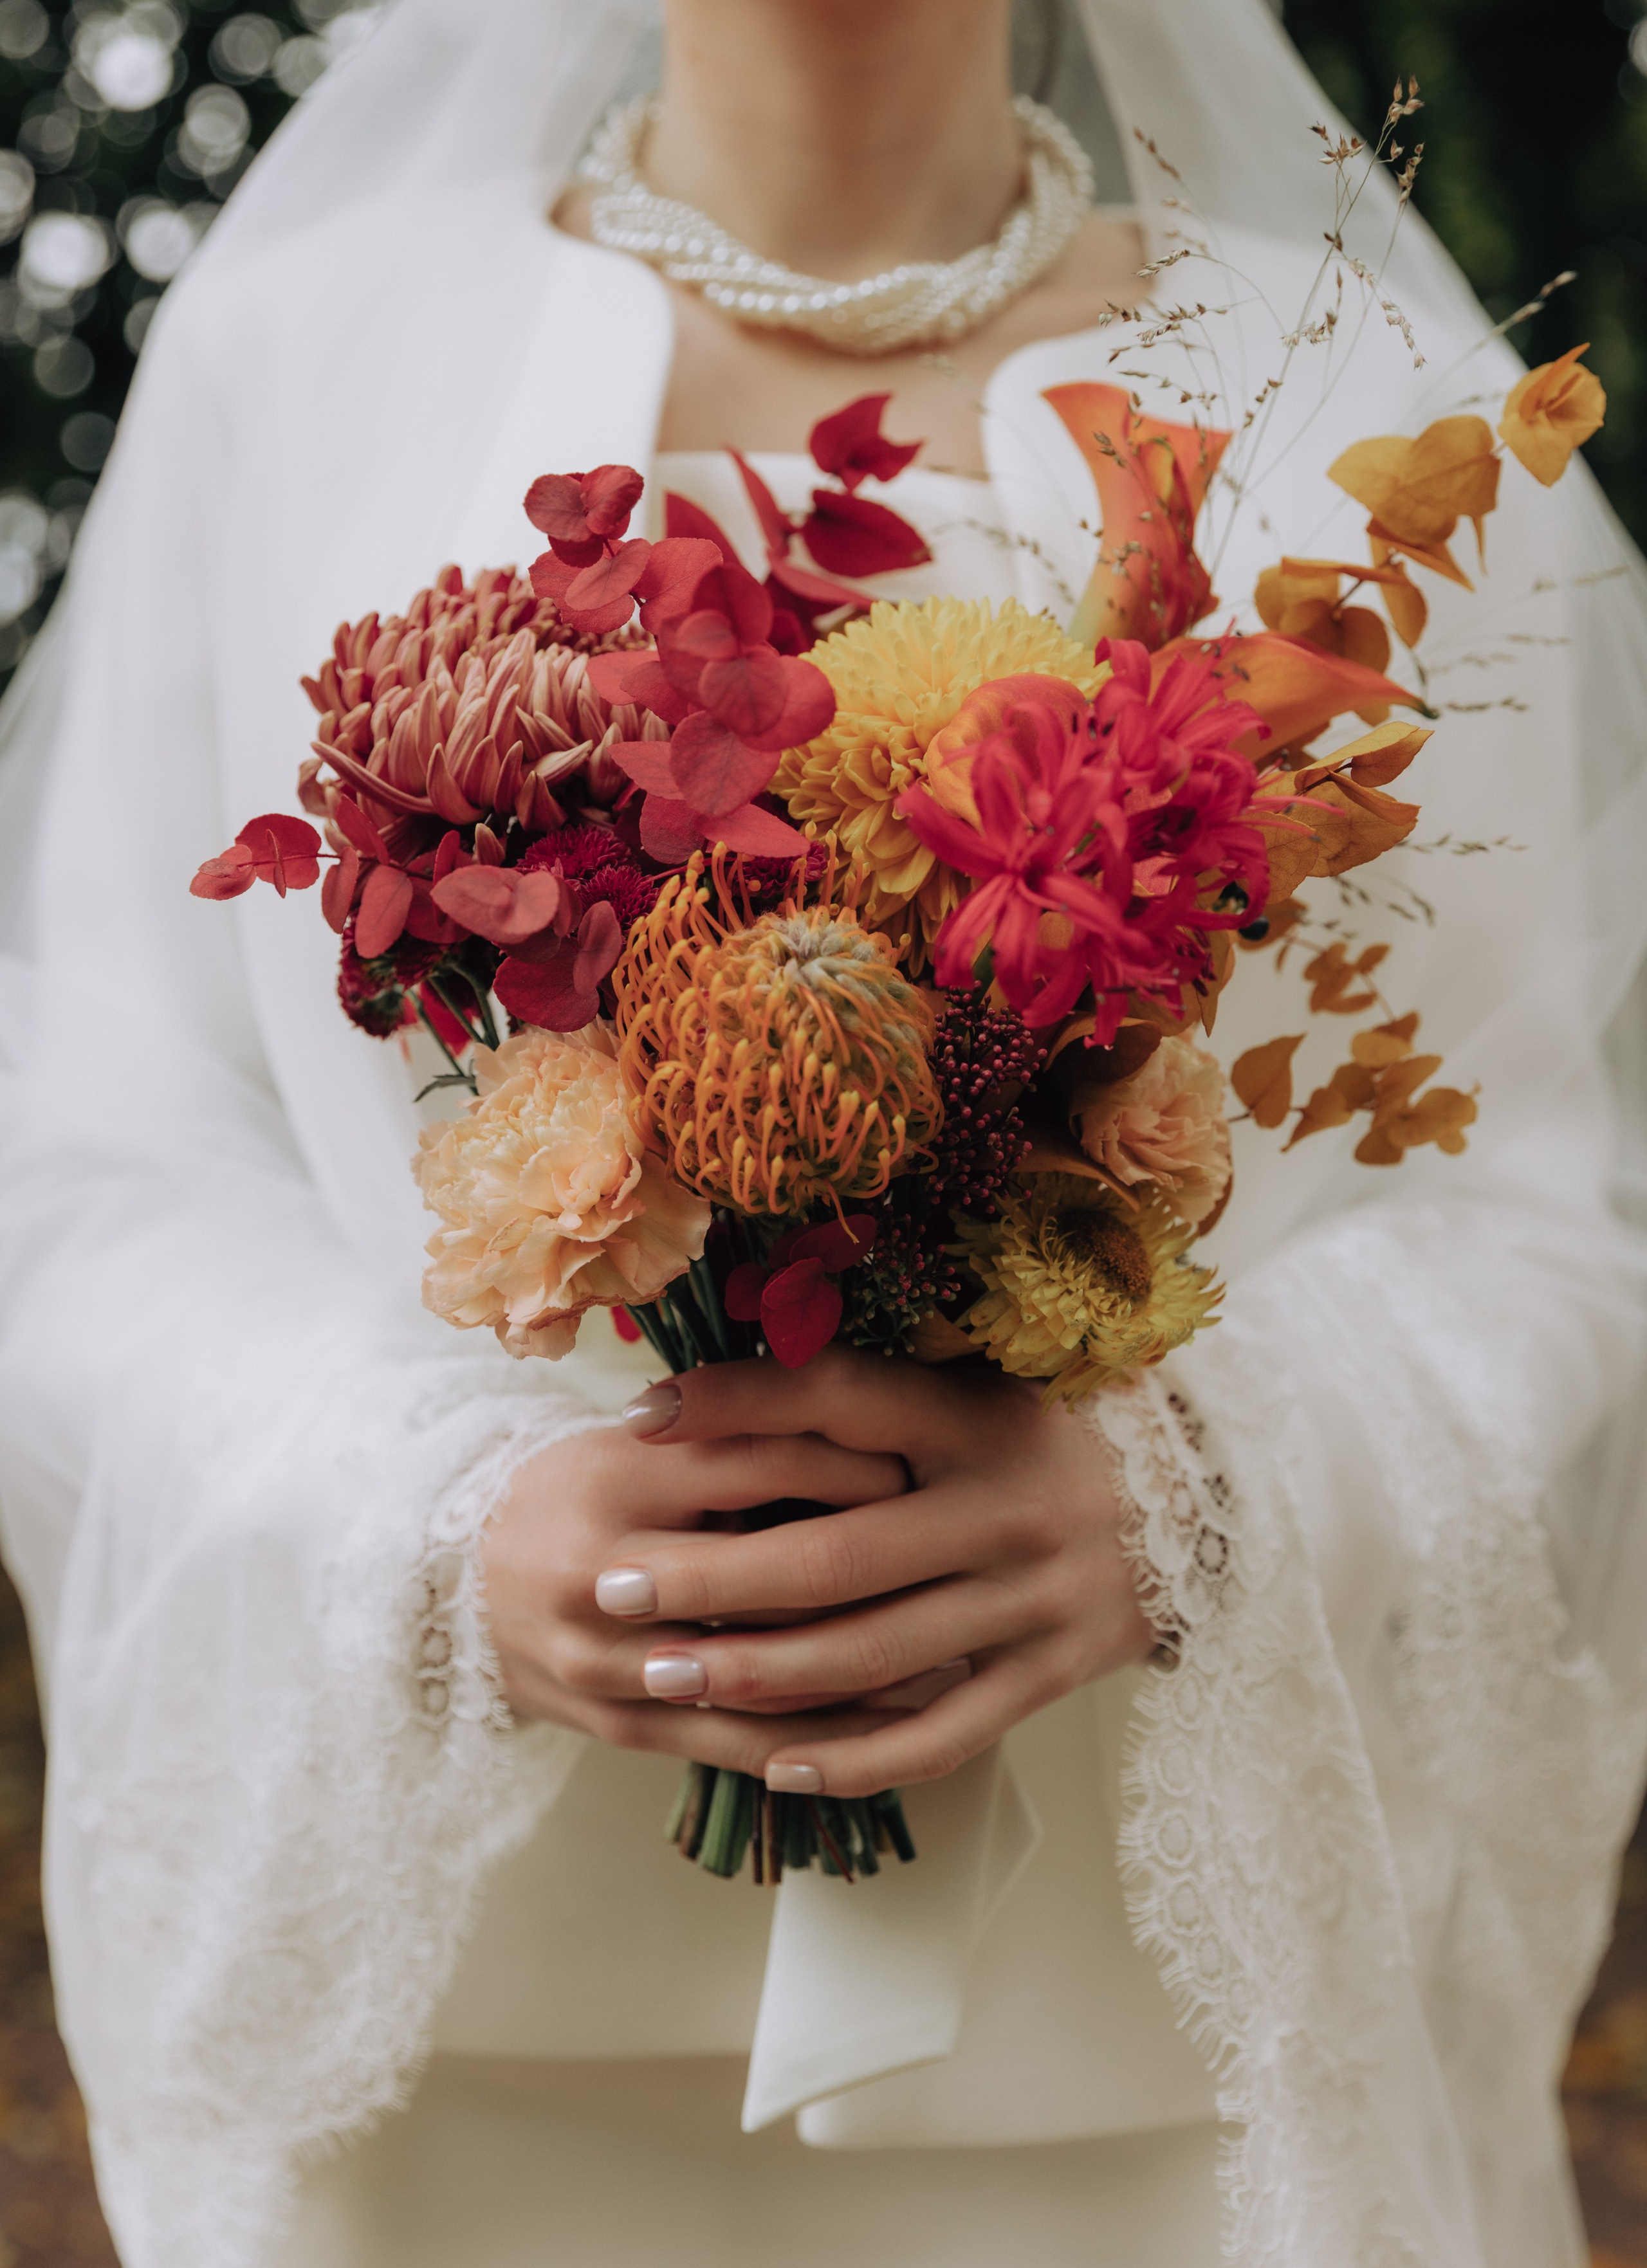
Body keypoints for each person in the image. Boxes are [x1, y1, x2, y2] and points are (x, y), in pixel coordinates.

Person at [0, 2, 1644, 2263]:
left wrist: (1194, 1486)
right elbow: (89, 1166)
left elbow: (1542, 1206)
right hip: (472, 2046)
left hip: (1153, 2070)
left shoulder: (1363, 408)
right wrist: (441, 1520)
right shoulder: (309, 355)